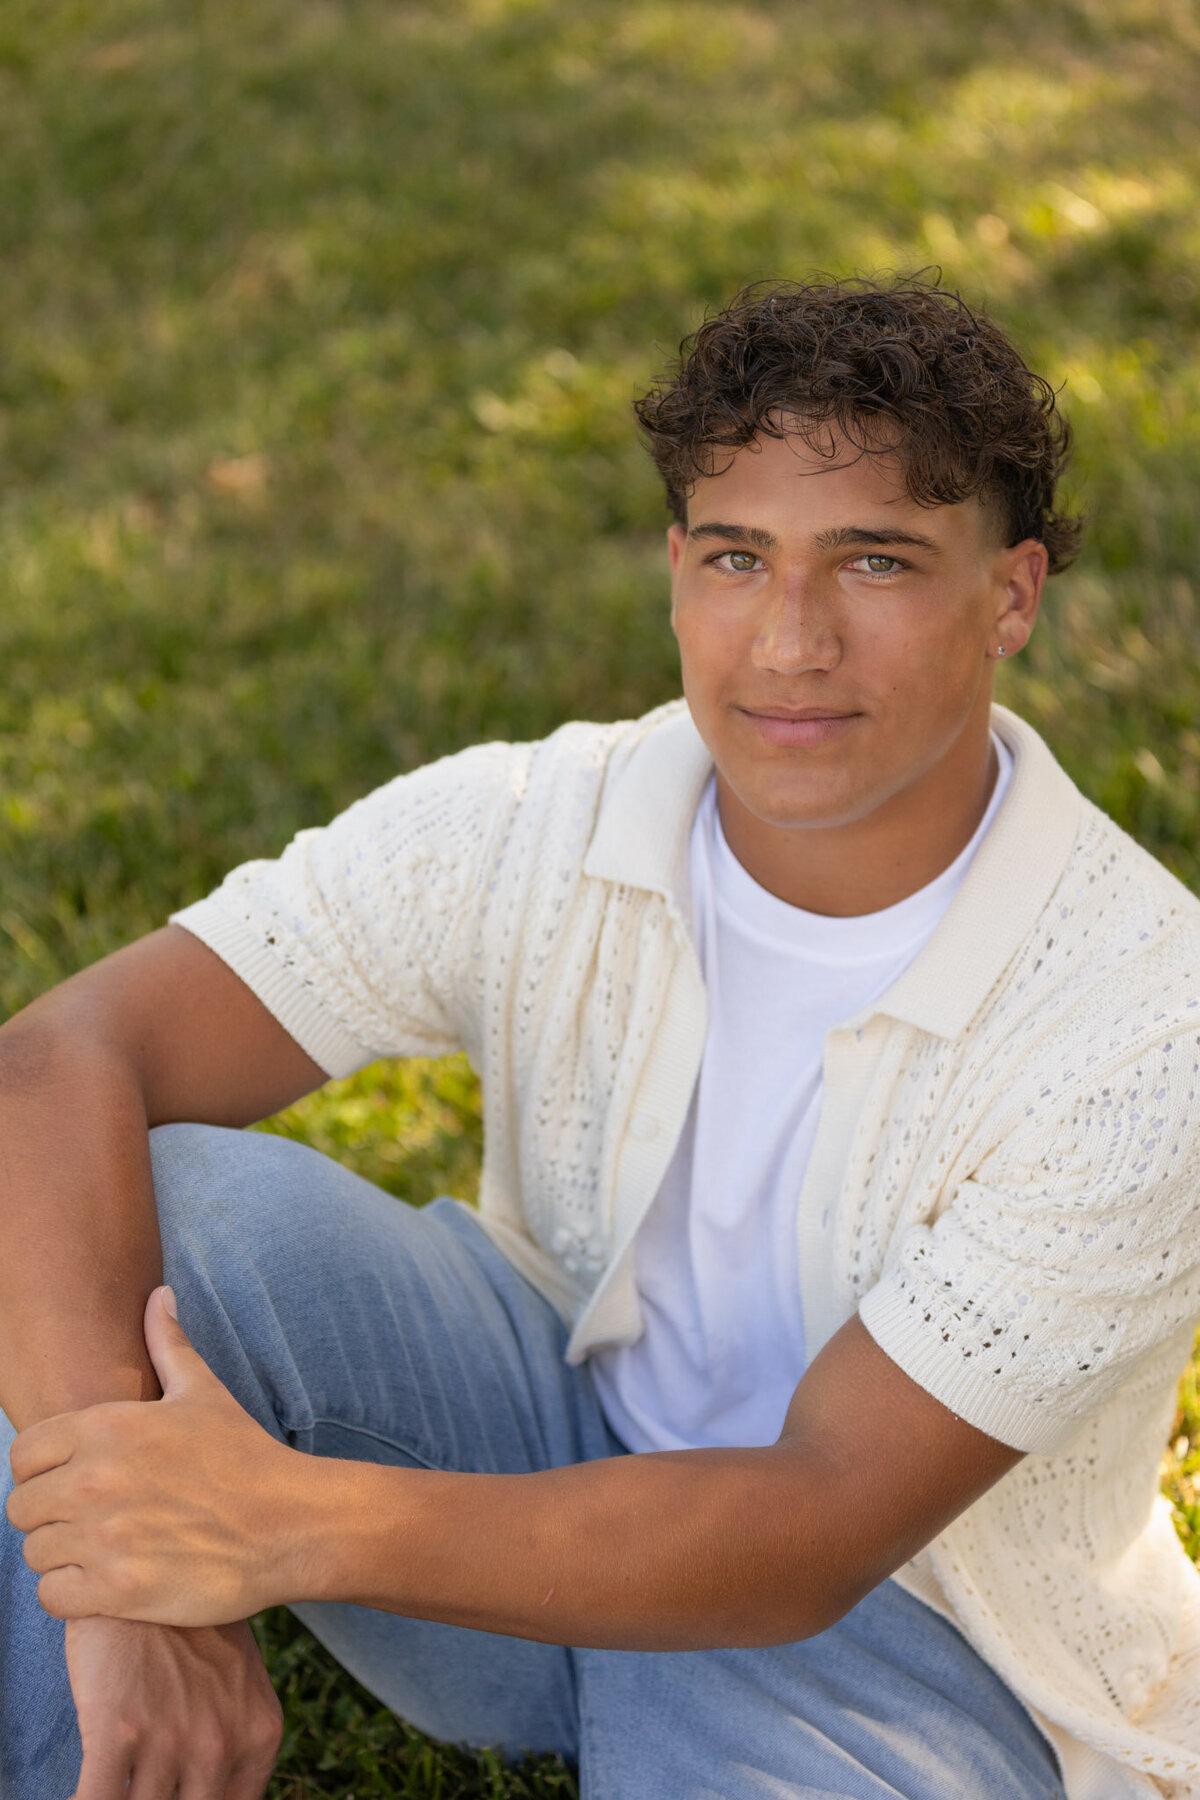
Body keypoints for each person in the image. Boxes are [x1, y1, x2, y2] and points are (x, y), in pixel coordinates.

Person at [2, 273, 1199, 1800]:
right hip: (535, 1444)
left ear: (1012, 595)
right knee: (144, 1211)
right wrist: (123, 1575)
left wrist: (273, 1524)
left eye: (877, 562)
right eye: (737, 557)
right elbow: (52, 1065)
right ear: (677, 573)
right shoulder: (536, 823)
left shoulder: (1146, 1026)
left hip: (889, 1631)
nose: (789, 640)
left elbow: (814, 1522)